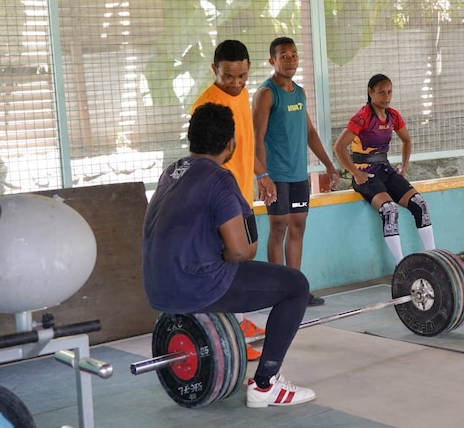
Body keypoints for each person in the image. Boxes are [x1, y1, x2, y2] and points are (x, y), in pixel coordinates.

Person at [142, 103, 316, 408]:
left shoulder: (171, 172)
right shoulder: (219, 178)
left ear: (191, 140)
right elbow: (239, 251)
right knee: (296, 286)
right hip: (194, 287)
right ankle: (266, 385)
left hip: (158, 289)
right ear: (230, 144)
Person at [191, 39, 273, 361]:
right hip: (220, 199)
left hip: (242, 195)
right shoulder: (206, 106)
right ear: (214, 70)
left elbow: (245, 144)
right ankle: (232, 333)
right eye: (229, 77)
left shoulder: (242, 97)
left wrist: (261, 176)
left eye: (242, 76)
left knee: (242, 260)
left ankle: (239, 321)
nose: (237, 84)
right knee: (230, 260)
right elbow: (204, 157)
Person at [253, 36, 339, 307]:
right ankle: (278, 291)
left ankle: (296, 289)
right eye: (283, 56)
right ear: (272, 61)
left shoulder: (299, 92)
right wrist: (262, 175)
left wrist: (328, 163)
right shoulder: (266, 93)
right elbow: (257, 136)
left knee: (298, 226)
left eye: (293, 55)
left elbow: (310, 132)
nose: (290, 60)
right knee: (278, 227)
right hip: (275, 175)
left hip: (298, 175)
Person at [333, 73, 436, 265]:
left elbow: (406, 140)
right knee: (389, 210)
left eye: (389, 92)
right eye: (381, 92)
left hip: (385, 170)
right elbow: (339, 147)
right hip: (366, 174)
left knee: (420, 204)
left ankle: (434, 258)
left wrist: (404, 166)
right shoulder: (362, 117)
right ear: (370, 92)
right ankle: (401, 266)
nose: (386, 96)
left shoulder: (393, 115)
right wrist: (355, 173)